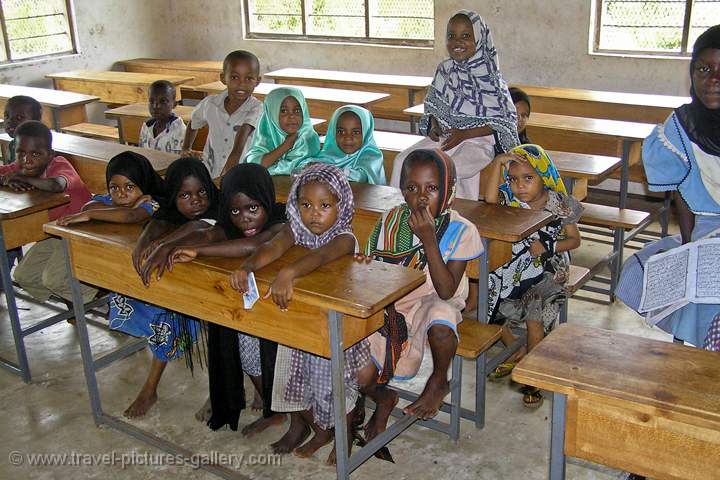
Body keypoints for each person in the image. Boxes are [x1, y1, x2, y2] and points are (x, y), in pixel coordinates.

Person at [229, 164, 365, 464]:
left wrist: (289, 272)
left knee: (334, 386)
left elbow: (321, 255)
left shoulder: (345, 237)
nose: (314, 213)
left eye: (324, 205)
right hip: (301, 323)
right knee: (298, 381)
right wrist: (248, 266)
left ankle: (345, 433)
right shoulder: (296, 229)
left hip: (336, 329)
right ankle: (313, 428)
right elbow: (273, 247)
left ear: (340, 206)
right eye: (306, 205)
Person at [355, 149, 483, 442]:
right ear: (402, 191)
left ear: (449, 190)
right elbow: (374, 265)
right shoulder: (390, 220)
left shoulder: (462, 229)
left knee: (442, 320)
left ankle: (438, 380)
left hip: (436, 298)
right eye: (412, 188)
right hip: (393, 303)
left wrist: (428, 240)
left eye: (432, 188)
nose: (421, 197)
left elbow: (446, 289)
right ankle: (384, 396)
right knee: (360, 373)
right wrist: (365, 264)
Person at [616, 24, 720, 348]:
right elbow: (683, 196)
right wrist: (689, 247)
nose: (712, 79)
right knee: (682, 292)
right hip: (702, 233)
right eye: (703, 69)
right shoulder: (680, 127)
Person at [167, 163, 286, 435]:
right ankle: (269, 404)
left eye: (253, 208)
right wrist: (171, 245)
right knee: (247, 357)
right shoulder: (229, 226)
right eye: (235, 211)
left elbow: (257, 245)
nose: (244, 218)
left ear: (266, 200)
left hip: (280, 305)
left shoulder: (281, 218)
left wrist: (199, 252)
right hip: (245, 306)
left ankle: (281, 408)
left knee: (272, 360)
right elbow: (209, 232)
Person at [484, 144, 582, 407]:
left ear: (544, 176)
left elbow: (574, 241)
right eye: (514, 180)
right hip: (519, 264)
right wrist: (497, 163)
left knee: (534, 308)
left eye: (528, 178)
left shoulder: (558, 202)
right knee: (490, 294)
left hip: (552, 266)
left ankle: (533, 377)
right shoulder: (513, 202)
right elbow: (490, 201)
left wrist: (548, 246)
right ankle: (518, 349)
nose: (520, 186)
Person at [122, 157, 219, 418]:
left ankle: (220, 391)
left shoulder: (221, 209)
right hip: (189, 294)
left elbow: (201, 226)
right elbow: (159, 219)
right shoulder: (168, 211)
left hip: (222, 295)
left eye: (201, 192)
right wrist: (145, 239)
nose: (196, 200)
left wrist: (166, 244)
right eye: (184, 195)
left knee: (220, 335)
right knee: (166, 319)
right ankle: (150, 388)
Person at [389, 10, 518, 200]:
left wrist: (465, 134)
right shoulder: (445, 70)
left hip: (479, 142)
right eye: (451, 36)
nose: (457, 42)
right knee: (404, 160)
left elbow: (505, 122)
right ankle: (399, 214)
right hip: (447, 137)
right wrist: (433, 123)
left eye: (466, 36)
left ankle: (450, 220)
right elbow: (433, 107)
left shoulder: (491, 77)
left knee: (448, 168)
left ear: (480, 39)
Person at [1, 121, 95, 305]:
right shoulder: (20, 167)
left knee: (53, 279)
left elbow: (56, 185)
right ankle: (75, 300)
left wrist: (22, 177)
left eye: (35, 154)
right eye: (21, 153)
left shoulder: (59, 165)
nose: (27, 160)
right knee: (23, 275)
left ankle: (93, 291)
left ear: (50, 154)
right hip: (54, 232)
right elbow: (5, 172)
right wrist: (7, 179)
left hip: (81, 230)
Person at [181, 50, 262, 178]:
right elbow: (193, 123)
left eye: (249, 78)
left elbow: (244, 131)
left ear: (257, 81)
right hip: (210, 172)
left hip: (240, 174)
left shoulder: (257, 108)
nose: (241, 83)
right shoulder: (210, 104)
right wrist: (186, 148)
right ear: (223, 78)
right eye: (235, 77)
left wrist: (232, 160)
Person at [2, 96, 43, 272]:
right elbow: (11, 172)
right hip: (22, 202)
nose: (10, 122)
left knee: (6, 234)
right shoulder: (14, 145)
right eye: (7, 116)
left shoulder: (42, 147)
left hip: (39, 207)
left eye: (19, 118)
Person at [243, 87, 321, 175]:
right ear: (272, 114)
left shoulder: (307, 137)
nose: (292, 116)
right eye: (284, 111)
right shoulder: (266, 134)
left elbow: (290, 168)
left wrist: (266, 166)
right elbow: (253, 164)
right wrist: (285, 146)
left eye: (297, 110)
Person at [300, 105, 385, 184]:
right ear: (333, 133)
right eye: (341, 132)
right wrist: (308, 166)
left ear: (366, 133)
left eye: (355, 132)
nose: (348, 137)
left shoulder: (371, 157)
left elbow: (359, 177)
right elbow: (302, 167)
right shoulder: (328, 154)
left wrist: (324, 170)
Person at [139, 80, 186, 154]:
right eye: (151, 101)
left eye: (163, 101)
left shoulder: (180, 130)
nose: (155, 106)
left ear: (174, 104)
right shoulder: (146, 126)